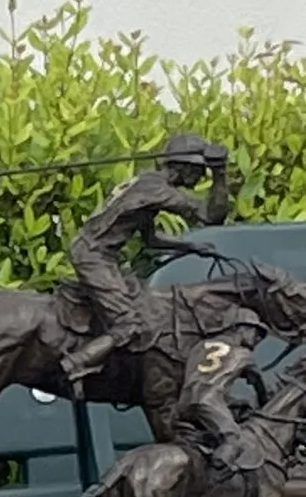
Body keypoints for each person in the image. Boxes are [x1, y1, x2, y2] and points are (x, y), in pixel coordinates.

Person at [56, 132, 233, 394]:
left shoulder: (146, 185)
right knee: (129, 324)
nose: (200, 178)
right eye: (199, 171)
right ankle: (74, 366)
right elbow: (211, 215)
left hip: (102, 255)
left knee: (145, 306)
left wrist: (191, 247)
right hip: (94, 257)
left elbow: (150, 239)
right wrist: (220, 172)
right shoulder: (157, 189)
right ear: (183, 167)